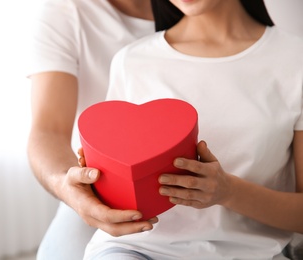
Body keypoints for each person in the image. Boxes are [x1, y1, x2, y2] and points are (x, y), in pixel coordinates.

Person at [83, 0, 303, 259]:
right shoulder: (131, 61)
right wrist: (94, 184)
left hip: (249, 253)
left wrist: (229, 192)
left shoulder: (294, 60)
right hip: (136, 249)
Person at [26, 0, 157, 259]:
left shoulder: (195, 9)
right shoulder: (66, 12)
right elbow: (48, 130)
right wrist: (68, 186)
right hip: (100, 189)